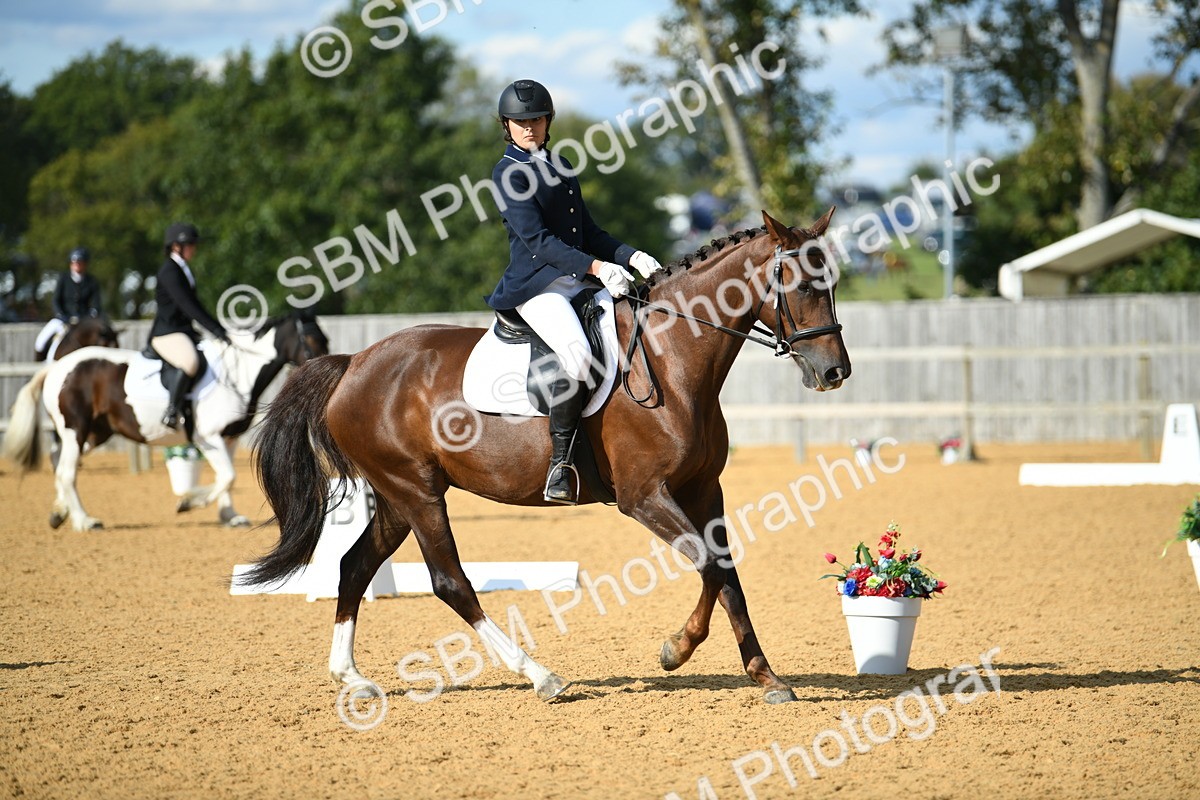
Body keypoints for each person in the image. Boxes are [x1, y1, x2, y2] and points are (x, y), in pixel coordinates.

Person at [485, 79, 663, 504]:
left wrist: (631, 255)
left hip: (578, 280)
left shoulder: (560, 166)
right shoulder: (507, 173)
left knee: (638, 328)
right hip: (536, 287)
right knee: (579, 355)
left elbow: (589, 232)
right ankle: (560, 464)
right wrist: (599, 268)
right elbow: (539, 242)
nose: (529, 127)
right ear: (506, 126)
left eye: (537, 119)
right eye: (520, 121)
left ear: (548, 122)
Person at [148, 222, 230, 430]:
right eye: (190, 244)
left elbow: (196, 304)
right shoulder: (169, 270)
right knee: (190, 362)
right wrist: (215, 329)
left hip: (183, 332)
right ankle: (172, 411)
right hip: (167, 333)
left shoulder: (183, 269)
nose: (194, 248)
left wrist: (218, 327)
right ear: (176, 246)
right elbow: (187, 305)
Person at [33, 247, 102, 361]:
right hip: (63, 319)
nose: (77, 265)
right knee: (41, 341)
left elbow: (96, 304)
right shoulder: (63, 279)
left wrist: (90, 316)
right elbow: (56, 300)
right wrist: (60, 314)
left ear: (85, 264)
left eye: (80, 263)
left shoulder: (91, 282)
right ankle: (42, 363)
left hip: (83, 320)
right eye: (75, 263)